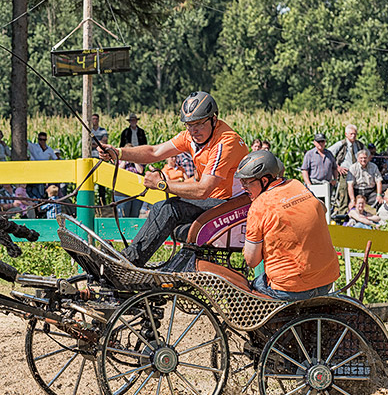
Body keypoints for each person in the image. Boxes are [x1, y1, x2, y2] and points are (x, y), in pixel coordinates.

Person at [99, 91, 249, 266]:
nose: (193, 131)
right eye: (189, 125)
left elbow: (203, 190)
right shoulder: (191, 136)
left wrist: (162, 184)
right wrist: (118, 153)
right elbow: (154, 152)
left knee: (170, 209)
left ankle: (127, 263)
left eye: (199, 124)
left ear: (213, 119)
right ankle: (130, 260)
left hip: (233, 206)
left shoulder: (225, 142)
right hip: (215, 201)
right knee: (161, 207)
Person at [238, 151, 339, 301]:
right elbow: (322, 208)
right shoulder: (297, 185)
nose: (243, 187)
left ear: (264, 181)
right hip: (326, 280)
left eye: (246, 182)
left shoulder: (259, 206)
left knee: (244, 288)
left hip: (290, 288)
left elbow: (252, 261)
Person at [329, 124, 364, 214]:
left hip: (357, 172)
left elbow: (366, 154)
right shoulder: (341, 144)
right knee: (343, 192)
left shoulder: (359, 145)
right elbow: (328, 154)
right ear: (346, 134)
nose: (353, 136)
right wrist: (337, 167)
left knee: (357, 192)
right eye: (351, 134)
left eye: (355, 134)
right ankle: (342, 213)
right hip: (345, 172)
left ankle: (357, 211)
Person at [28, 131, 57, 201]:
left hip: (44, 172)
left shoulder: (49, 149)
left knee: (42, 187)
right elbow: (24, 142)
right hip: (34, 171)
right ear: (38, 140)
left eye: (44, 140)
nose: (42, 141)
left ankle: (42, 200)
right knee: (37, 187)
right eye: (40, 139)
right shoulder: (33, 146)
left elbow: (55, 159)